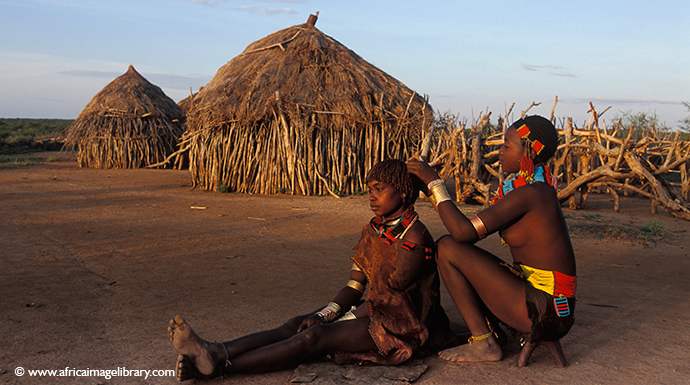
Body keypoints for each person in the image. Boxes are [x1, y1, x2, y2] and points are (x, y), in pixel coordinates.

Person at [167, 159, 457, 381]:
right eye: (370, 190)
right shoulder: (372, 231)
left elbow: (393, 292)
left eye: (380, 190)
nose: (371, 197)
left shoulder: (415, 235)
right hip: (374, 310)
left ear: (404, 193)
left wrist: (341, 319)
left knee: (313, 338)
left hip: (401, 324)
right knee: (299, 323)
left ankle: (219, 369)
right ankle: (218, 350)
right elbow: (355, 287)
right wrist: (324, 314)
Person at [407, 115, 576, 366]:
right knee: (453, 249)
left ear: (528, 150)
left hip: (546, 309)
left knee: (447, 248)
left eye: (507, 145)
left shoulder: (532, 193)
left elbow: (463, 233)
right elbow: (466, 232)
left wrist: (435, 184)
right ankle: (490, 333)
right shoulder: (530, 188)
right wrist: (429, 189)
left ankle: (485, 342)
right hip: (540, 301)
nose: (500, 151)